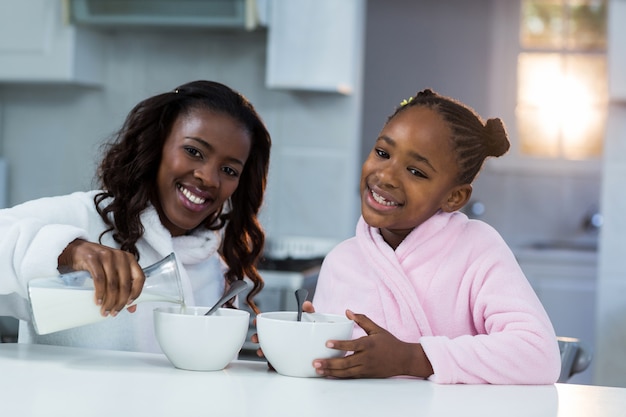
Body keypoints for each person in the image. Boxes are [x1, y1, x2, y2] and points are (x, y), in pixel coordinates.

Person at [304, 89, 561, 384]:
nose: (386, 176)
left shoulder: (476, 249)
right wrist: (300, 348)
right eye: (383, 153)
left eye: (416, 171)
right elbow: (336, 368)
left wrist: (411, 358)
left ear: (454, 197)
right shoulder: (342, 261)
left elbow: (538, 354)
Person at [0, 80, 271, 352]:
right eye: (193, 152)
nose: (208, 178)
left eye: (229, 170)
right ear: (158, 144)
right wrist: (69, 251)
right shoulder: (81, 219)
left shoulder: (216, 271)